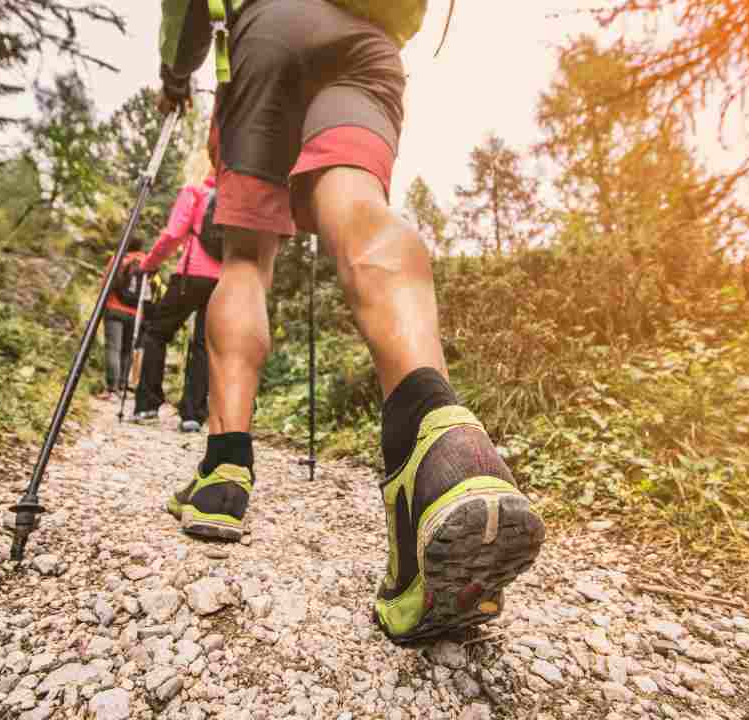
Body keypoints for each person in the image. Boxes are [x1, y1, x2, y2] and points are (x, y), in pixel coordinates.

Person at [155, 0, 546, 644]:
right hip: (368, 43)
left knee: (246, 258)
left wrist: (176, 73)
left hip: (271, 31)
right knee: (358, 204)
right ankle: (441, 436)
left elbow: (188, 10)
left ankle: (224, 473)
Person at [131, 141, 222, 432]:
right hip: (223, 280)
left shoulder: (195, 192)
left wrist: (149, 264)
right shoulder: (233, 197)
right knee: (203, 345)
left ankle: (147, 405)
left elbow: (173, 234)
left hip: (190, 275)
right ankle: (193, 414)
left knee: (157, 332)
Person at [98, 237, 147, 399]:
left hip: (114, 308)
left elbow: (105, 283)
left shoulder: (119, 258)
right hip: (136, 313)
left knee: (113, 348)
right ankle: (122, 385)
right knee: (127, 350)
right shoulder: (148, 262)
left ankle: (112, 389)